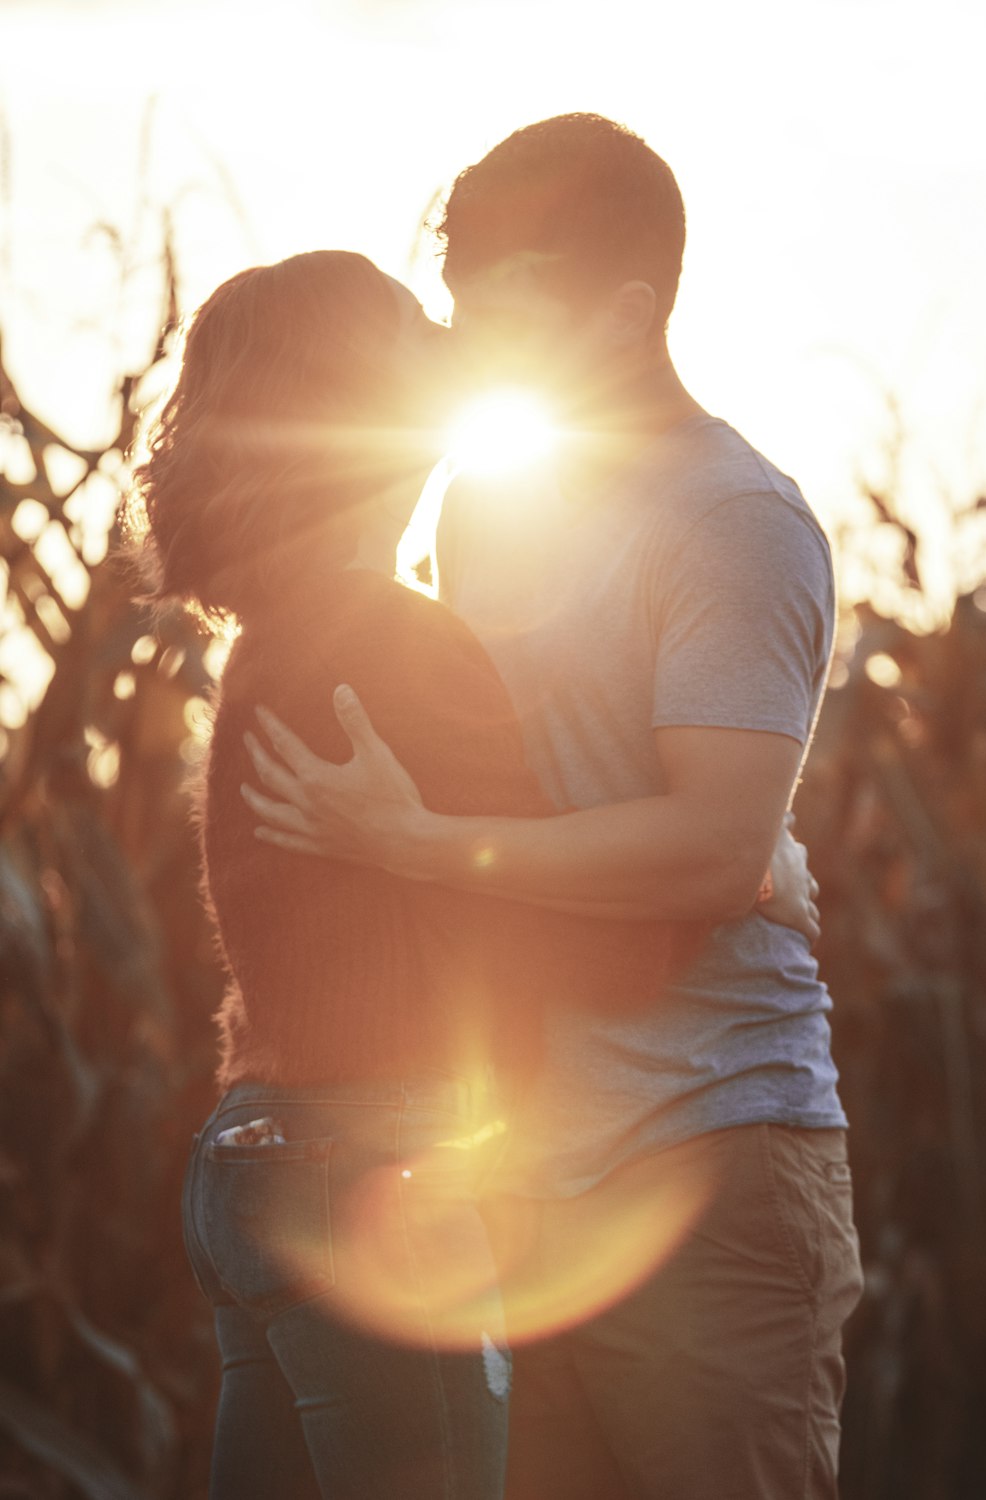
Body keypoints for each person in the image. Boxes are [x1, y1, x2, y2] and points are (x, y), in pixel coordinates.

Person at [242, 115, 864, 1499]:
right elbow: (565, 787)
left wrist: (413, 844)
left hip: (713, 1152)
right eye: (457, 292)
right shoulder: (482, 507)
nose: (462, 333)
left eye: (500, 301)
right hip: (523, 1173)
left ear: (628, 312)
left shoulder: (733, 522)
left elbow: (704, 846)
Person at [125, 248, 729, 1500]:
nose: (452, 346)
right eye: (413, 327)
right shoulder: (399, 636)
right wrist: (734, 871)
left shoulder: (274, 642)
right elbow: (565, 944)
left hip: (247, 1165)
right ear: (357, 392)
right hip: (373, 1170)